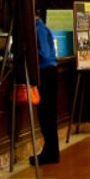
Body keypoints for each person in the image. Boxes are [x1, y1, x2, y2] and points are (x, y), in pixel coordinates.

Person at [30, 14, 60, 165]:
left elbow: (45, 54)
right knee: (47, 114)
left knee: (46, 114)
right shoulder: (42, 27)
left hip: (46, 72)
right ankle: (50, 151)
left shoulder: (38, 29)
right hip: (49, 72)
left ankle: (51, 152)